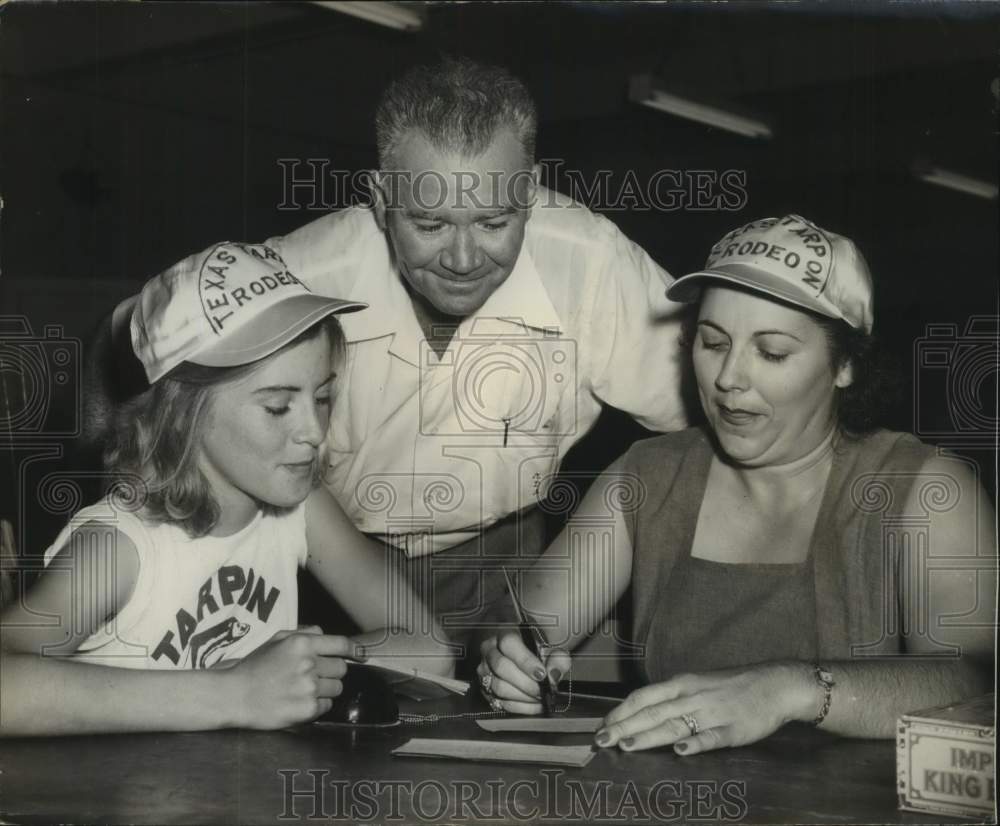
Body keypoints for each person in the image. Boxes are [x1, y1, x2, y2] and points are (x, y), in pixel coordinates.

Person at [476, 215, 997, 753]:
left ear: (845, 364)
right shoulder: (646, 477)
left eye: (770, 352)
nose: (728, 378)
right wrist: (505, 655)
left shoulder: (928, 490)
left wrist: (785, 688)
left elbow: (979, 683)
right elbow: (522, 622)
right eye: (713, 342)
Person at [261, 56, 688, 654]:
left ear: (529, 191)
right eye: (430, 225)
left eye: (493, 222)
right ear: (382, 200)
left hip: (507, 563)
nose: (463, 261)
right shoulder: (298, 275)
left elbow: (712, 420)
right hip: (322, 565)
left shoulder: (591, 261)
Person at [0, 242, 453, 737]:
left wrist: (303, 667)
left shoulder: (302, 509)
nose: (316, 432)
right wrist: (235, 691)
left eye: (322, 397)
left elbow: (430, 651)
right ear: (183, 417)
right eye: (278, 407)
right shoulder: (119, 546)